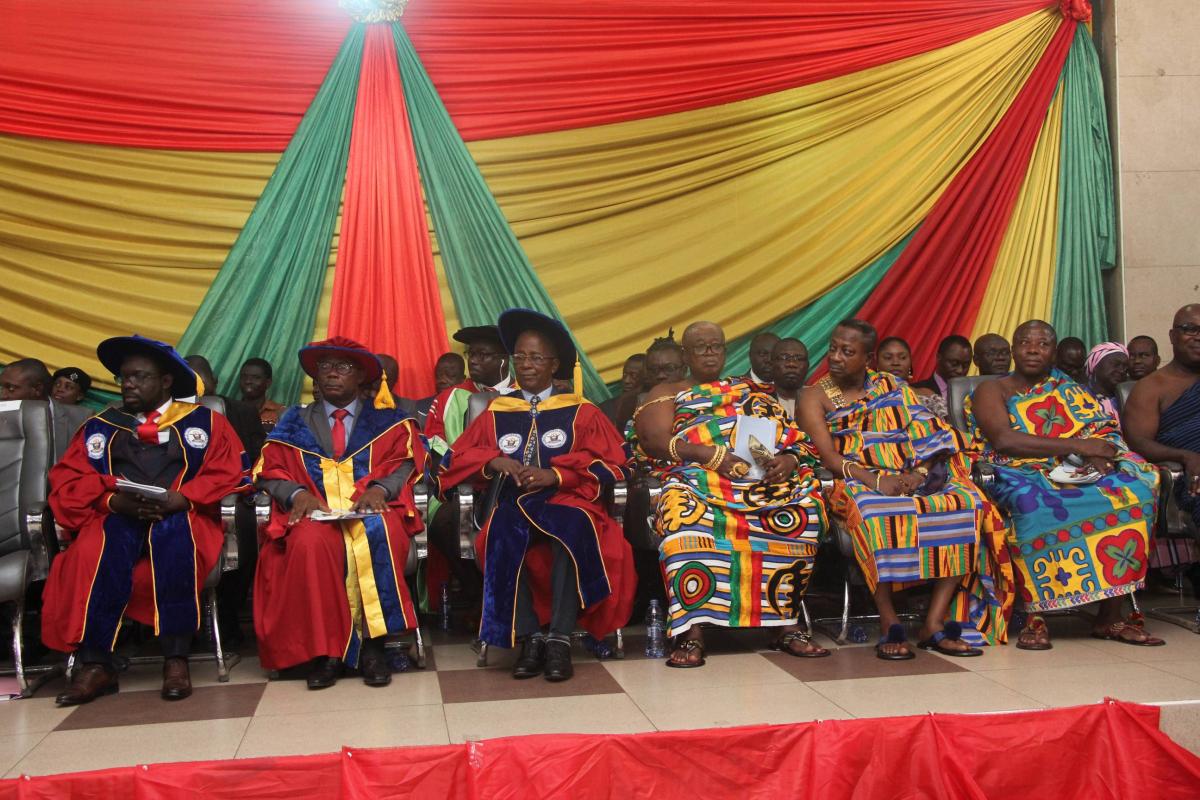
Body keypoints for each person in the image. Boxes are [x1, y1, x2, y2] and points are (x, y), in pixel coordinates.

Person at [42, 336, 250, 705]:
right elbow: (69, 478)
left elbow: (231, 472)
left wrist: (182, 497)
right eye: (125, 377)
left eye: (140, 377)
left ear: (166, 381)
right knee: (94, 547)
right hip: (117, 513)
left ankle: (175, 657)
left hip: (183, 513)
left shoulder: (205, 422)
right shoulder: (101, 425)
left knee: (175, 537)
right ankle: (96, 663)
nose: (129, 385)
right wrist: (112, 500)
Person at [432, 309, 635, 682]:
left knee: (570, 532)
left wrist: (555, 475)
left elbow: (618, 463)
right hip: (514, 502)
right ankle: (528, 638)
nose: (526, 365)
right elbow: (452, 459)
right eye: (520, 357)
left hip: (568, 500)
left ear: (554, 364)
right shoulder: (496, 410)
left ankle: (558, 639)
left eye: (536, 357)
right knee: (502, 533)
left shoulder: (581, 410)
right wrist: (494, 461)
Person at [799, 319, 1011, 660]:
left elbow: (928, 432)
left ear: (867, 359)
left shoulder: (892, 385)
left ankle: (933, 622)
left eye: (847, 352)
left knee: (967, 502)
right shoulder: (814, 395)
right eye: (833, 349)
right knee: (878, 512)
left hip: (910, 473)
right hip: (854, 478)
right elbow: (828, 456)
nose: (835, 357)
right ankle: (888, 621)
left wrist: (920, 472)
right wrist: (874, 480)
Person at [633, 321, 829, 667]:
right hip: (698, 479)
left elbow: (790, 437)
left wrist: (787, 458)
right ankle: (691, 632)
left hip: (758, 479)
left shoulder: (748, 390)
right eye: (701, 347)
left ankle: (783, 624)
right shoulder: (668, 390)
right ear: (685, 354)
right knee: (684, 520)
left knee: (803, 511)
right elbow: (653, 442)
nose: (710, 353)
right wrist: (709, 455)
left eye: (716, 346)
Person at [967, 320, 1163, 650]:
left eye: (1042, 344)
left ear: (1053, 353)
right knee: (1033, 503)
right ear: (1014, 349)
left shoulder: (1068, 387)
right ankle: (1035, 617)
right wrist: (1078, 447)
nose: (1032, 349)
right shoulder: (992, 389)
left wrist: (1099, 455)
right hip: (1016, 468)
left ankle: (1110, 615)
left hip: (1070, 468)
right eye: (1025, 342)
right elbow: (1004, 440)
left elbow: (1099, 432)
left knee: (1135, 491)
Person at [254, 337, 424, 689]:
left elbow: (406, 463)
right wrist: (297, 494)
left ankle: (374, 648)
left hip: (372, 506)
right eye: (325, 367)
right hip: (317, 512)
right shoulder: (293, 422)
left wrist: (380, 489)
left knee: (378, 533)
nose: (332, 374)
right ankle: (327, 652)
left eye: (343, 367)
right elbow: (269, 470)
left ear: (361, 375)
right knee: (308, 543)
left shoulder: (389, 420)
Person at [422, 326, 514, 617]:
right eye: (471, 354)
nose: (473, 361)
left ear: (503, 360)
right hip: (461, 485)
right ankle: (479, 595)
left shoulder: (524, 393)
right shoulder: (451, 397)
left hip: (516, 485)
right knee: (445, 522)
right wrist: (467, 468)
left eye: (482, 355)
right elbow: (435, 445)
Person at [186, 355, 267, 647]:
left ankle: (227, 617)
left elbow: (258, 460)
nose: (194, 384)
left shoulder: (240, 412)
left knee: (244, 525)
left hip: (231, 497)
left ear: (214, 382)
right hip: (179, 503)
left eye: (199, 377)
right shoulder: (161, 414)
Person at [1124, 305, 1200, 538]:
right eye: (1190, 329)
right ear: (1172, 336)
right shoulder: (1151, 387)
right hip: (1189, 476)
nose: (1198, 337)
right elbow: (1137, 442)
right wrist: (1185, 456)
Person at [0, 358, 90, 462]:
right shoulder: (3, 412)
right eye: (2, 387)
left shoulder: (82, 419)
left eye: (11, 388)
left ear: (37, 389)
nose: (3, 396)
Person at [913, 335, 973, 399]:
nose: (960, 370)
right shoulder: (915, 391)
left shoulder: (973, 395)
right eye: (954, 364)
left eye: (966, 365)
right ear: (939, 358)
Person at [1083, 343, 1130, 421]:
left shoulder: (1128, 398)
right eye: (1116, 364)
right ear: (1095, 365)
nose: (1122, 370)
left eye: (1125, 367)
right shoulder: (1076, 395)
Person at [599, 354, 646, 429]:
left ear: (646, 378)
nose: (626, 380)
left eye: (633, 376)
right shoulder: (606, 409)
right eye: (624, 374)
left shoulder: (654, 408)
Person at [238, 358, 284, 432]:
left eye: (256, 378)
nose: (248, 381)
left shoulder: (281, 413)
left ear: (268, 383)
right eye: (244, 376)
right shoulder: (230, 410)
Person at [771, 337, 809, 419]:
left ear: (807, 366)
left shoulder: (824, 397)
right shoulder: (755, 400)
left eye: (799, 358)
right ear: (771, 364)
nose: (791, 364)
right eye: (784, 358)